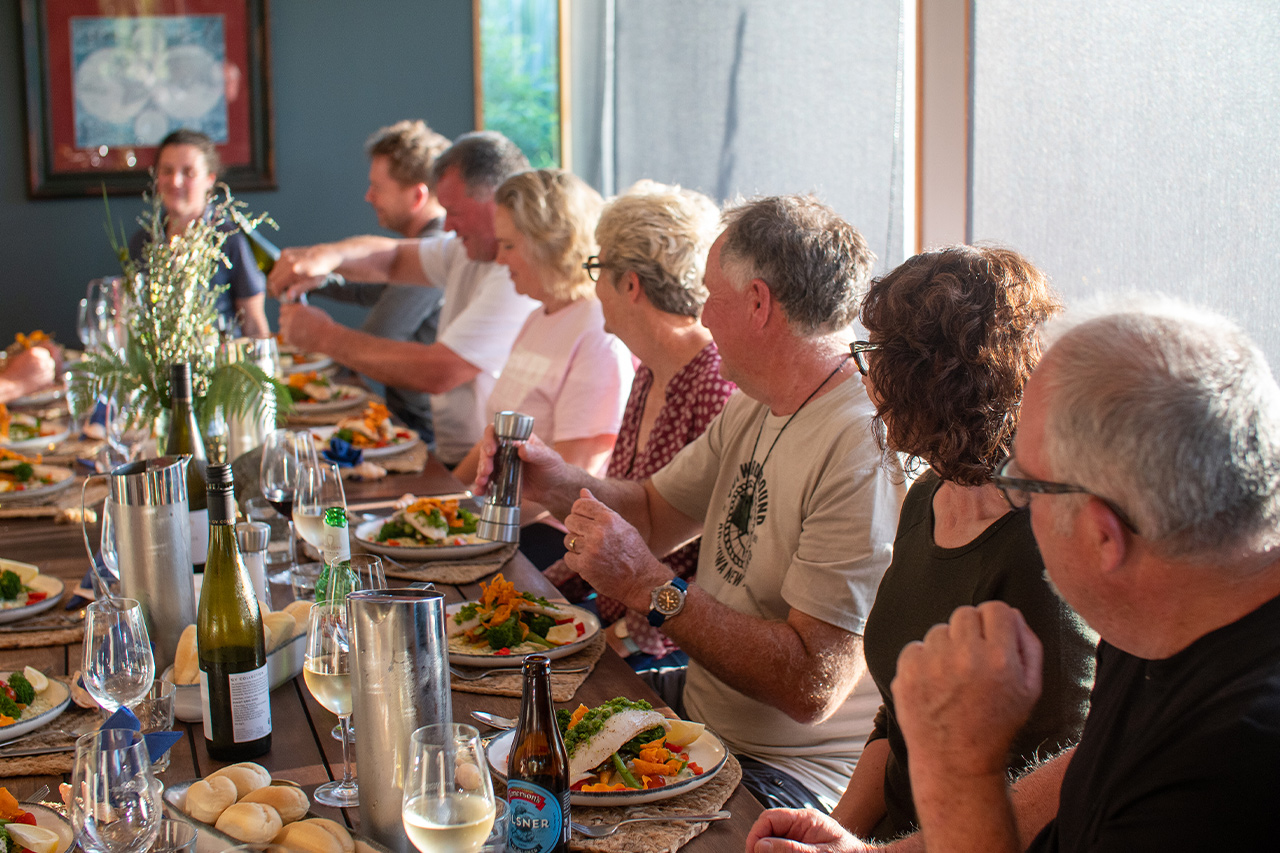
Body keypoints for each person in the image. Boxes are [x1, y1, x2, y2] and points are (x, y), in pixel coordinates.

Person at [747, 298, 1280, 852]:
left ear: (1103, 535)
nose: (1011, 499)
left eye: (1024, 482)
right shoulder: (1165, 619)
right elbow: (1082, 773)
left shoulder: (1234, 761)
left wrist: (959, 766)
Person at [475, 194, 906, 810]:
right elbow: (653, 514)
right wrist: (553, 481)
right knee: (501, 746)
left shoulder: (862, 445)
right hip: (701, 718)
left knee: (536, 808)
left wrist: (650, 588)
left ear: (757, 303)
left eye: (711, 296)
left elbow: (812, 686)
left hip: (790, 772)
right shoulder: (757, 399)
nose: (702, 316)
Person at [811, 247, 1096, 844]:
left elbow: (1063, 787)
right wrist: (835, 832)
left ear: (929, 380)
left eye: (876, 355)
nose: (864, 375)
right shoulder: (929, 495)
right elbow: (897, 716)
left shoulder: (1040, 549)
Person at [546, 181, 735, 662]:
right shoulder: (650, 368)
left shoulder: (716, 384)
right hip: (617, 621)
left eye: (597, 268)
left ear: (630, 284)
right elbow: (620, 519)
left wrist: (622, 639)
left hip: (670, 646)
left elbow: (715, 560)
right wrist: (543, 590)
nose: (594, 287)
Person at [268, 131, 539, 466]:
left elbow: (440, 371)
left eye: (454, 211)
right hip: (457, 454)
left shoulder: (513, 275)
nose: (448, 226)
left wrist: (323, 337)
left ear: (496, 202)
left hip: (487, 464)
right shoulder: (466, 250)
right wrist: (326, 256)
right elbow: (393, 258)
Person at [449, 169, 634, 565]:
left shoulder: (596, 330)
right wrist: (442, 499)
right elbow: (493, 437)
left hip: (554, 537)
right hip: (502, 519)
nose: (499, 258)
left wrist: (468, 523)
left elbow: (576, 475)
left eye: (508, 245)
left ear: (549, 246)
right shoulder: (538, 317)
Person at [305, 119, 451, 443]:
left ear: (417, 196)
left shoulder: (435, 249)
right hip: (412, 419)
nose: (368, 196)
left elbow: (378, 336)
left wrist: (315, 335)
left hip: (431, 435)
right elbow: (366, 290)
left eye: (378, 188)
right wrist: (309, 276)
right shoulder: (426, 247)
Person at [128, 129, 269, 337]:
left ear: (210, 179)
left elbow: (254, 324)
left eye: (189, 172)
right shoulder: (142, 241)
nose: (175, 181)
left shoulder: (229, 239)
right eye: (167, 171)